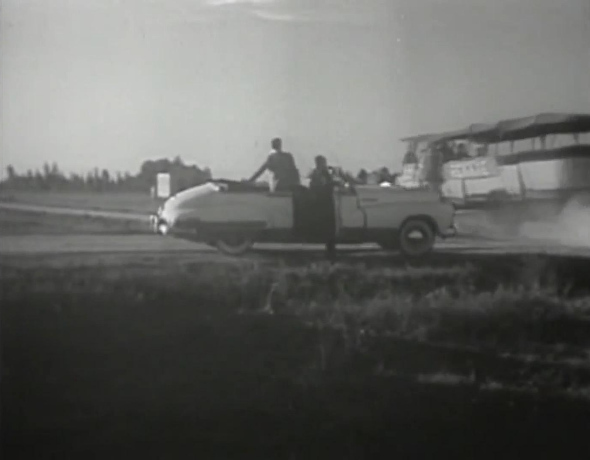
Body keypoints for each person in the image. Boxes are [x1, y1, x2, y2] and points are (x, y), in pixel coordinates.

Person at [309, 155, 337, 260]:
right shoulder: (322, 173)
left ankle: (330, 251)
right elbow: (326, 185)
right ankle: (330, 252)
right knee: (330, 228)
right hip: (326, 202)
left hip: (321, 202)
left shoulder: (315, 173)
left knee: (327, 228)